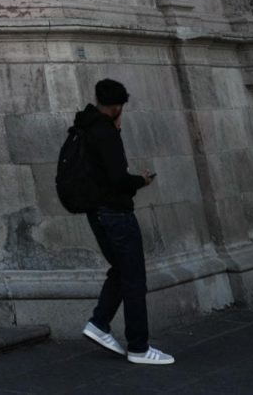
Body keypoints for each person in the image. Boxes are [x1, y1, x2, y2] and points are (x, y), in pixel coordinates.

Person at [73, 78, 174, 367]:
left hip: (98, 212)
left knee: (121, 270)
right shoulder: (104, 132)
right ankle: (139, 346)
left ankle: (99, 323)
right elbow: (117, 178)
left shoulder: (86, 126)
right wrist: (141, 181)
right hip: (115, 213)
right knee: (134, 279)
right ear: (117, 106)